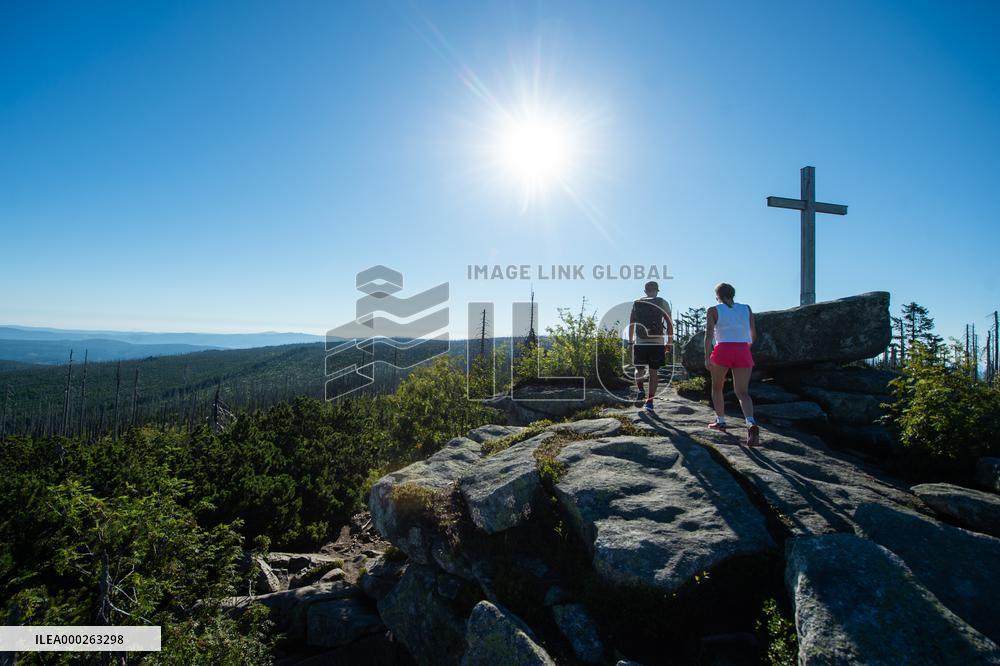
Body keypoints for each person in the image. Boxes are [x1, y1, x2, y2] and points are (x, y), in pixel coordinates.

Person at [703, 282, 760, 447]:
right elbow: (753, 334)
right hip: (743, 349)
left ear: (717, 295)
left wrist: (707, 356)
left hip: (723, 350)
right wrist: (745, 348)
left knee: (717, 388)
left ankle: (720, 421)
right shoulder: (746, 308)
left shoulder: (713, 310)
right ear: (732, 294)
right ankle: (750, 423)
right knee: (743, 392)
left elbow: (708, 334)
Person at [628, 281, 673, 412]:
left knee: (639, 369)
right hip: (657, 341)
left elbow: (631, 323)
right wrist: (669, 341)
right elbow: (669, 323)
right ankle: (650, 402)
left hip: (640, 341)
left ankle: (641, 389)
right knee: (654, 372)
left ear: (645, 291)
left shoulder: (637, 302)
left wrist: (631, 342)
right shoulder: (662, 302)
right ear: (657, 291)